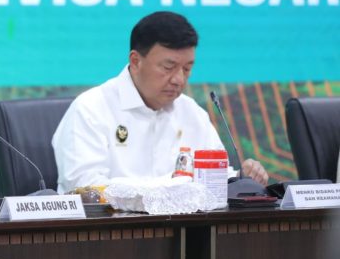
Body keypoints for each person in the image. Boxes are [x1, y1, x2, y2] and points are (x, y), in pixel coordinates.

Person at [52, 11, 268, 194]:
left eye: (187, 69)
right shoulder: (90, 109)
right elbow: (85, 188)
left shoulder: (192, 113)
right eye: (168, 67)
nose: (179, 79)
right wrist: (170, 185)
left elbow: (214, 178)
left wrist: (241, 178)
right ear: (135, 61)